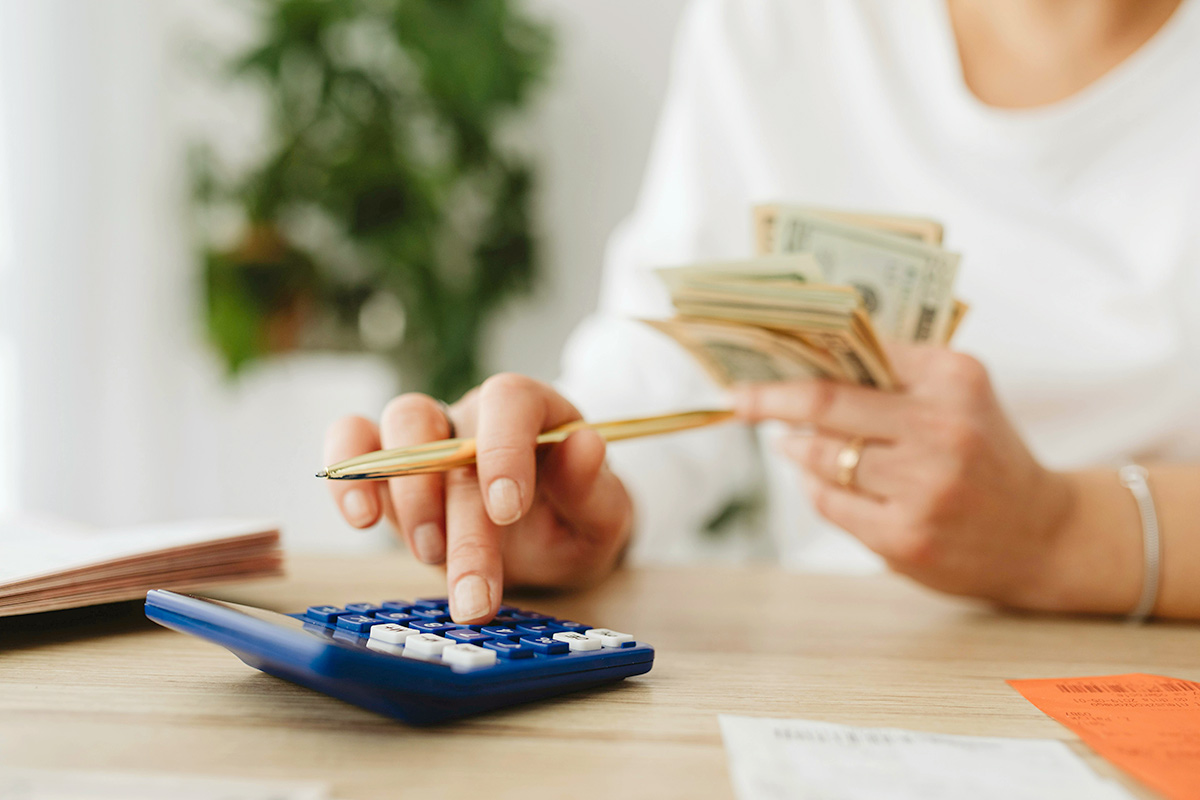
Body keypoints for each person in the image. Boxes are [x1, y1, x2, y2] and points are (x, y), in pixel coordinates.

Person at [326, 0, 1200, 624]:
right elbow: (673, 361)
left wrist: (1058, 533)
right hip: (838, 672)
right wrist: (572, 493)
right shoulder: (775, 27)